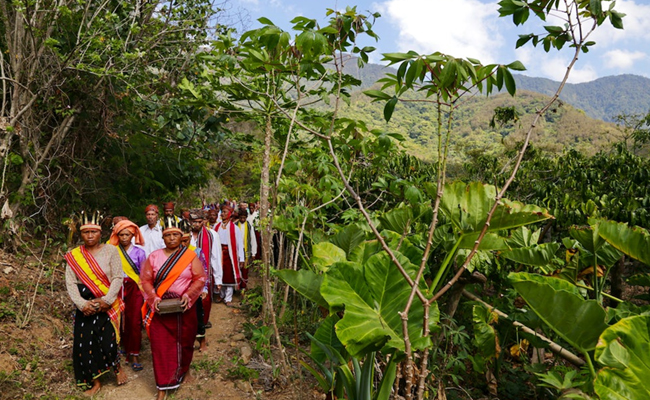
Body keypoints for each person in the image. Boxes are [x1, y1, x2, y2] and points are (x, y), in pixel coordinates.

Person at [140, 217, 206, 400]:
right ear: (163, 237)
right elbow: (145, 281)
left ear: (181, 236)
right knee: (160, 346)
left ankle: (184, 371)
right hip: (161, 308)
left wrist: (189, 295)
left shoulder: (190, 256)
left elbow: (200, 279)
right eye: (167, 235)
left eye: (175, 235)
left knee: (185, 342)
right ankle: (162, 386)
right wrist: (153, 299)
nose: (171, 239)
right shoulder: (154, 257)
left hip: (184, 307)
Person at [64, 211, 127, 395]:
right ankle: (95, 381)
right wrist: (82, 304)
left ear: (101, 233)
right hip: (84, 305)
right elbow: (70, 282)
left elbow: (117, 277)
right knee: (85, 344)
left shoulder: (111, 251)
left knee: (108, 341)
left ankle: (117, 368)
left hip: (107, 302)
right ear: (81, 234)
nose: (90, 236)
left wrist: (106, 301)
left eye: (94, 232)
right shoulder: (74, 255)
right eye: (86, 232)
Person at [109, 219, 146, 371]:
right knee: (119, 318)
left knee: (134, 320)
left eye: (127, 235)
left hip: (135, 288)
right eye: (121, 234)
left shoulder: (140, 252)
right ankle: (122, 348)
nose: (124, 237)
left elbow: (144, 274)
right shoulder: (112, 251)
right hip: (117, 287)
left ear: (133, 235)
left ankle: (135, 353)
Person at [179, 219, 209, 352]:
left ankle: (202, 341)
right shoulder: (173, 253)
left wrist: (204, 288)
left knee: (198, 315)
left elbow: (204, 271)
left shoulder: (196, 252)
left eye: (186, 240)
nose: (183, 244)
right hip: (179, 290)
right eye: (181, 241)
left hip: (194, 290)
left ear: (190, 238)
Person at [188, 209, 221, 325]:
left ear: (203, 221)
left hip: (205, 273)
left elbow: (215, 257)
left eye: (199, 222)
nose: (196, 224)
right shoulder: (184, 235)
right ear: (189, 221)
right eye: (194, 222)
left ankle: (203, 322)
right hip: (187, 273)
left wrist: (218, 278)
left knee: (205, 299)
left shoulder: (212, 235)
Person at [213, 204, 244, 306]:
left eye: (225, 212)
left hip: (230, 255)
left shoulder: (235, 228)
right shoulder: (216, 227)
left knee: (229, 275)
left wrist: (241, 258)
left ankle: (228, 298)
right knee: (220, 274)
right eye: (222, 212)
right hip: (219, 253)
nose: (222, 214)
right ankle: (221, 294)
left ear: (230, 214)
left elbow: (240, 244)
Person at [235, 209, 257, 291]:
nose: (242, 220)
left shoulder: (249, 226)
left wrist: (254, 253)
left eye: (244, 218)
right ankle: (237, 286)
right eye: (241, 218)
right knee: (238, 268)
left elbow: (253, 239)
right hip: (237, 250)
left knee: (245, 269)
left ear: (246, 217)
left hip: (246, 250)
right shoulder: (235, 225)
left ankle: (243, 286)